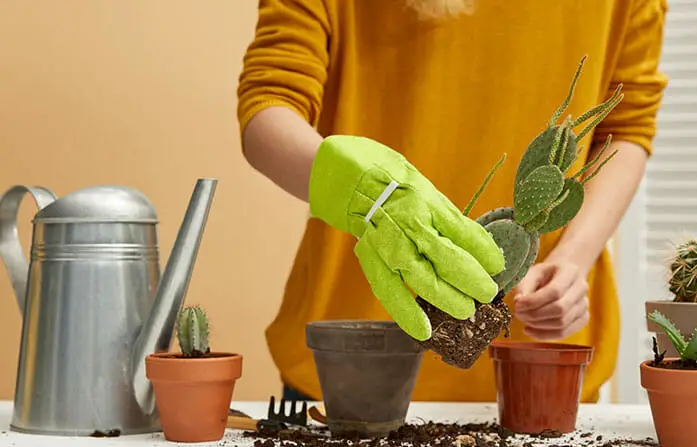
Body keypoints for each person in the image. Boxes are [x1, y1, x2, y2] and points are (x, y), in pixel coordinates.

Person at [236, 0, 668, 403]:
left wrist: (574, 259)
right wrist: (372, 197)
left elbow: (626, 128)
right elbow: (270, 107)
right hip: (351, 359)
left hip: (538, 366)